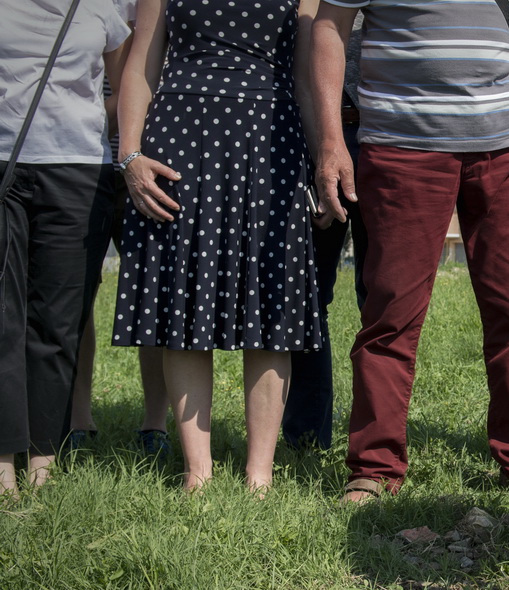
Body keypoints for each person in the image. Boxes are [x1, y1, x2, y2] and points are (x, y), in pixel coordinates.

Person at [310, 0, 509, 502]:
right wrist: (332, 140)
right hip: (402, 144)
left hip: (508, 143)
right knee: (391, 314)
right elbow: (329, 30)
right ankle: (374, 469)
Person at [112, 0, 324, 492]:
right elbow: (141, 65)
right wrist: (130, 155)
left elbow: (305, 82)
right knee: (184, 310)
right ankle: (197, 473)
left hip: (272, 140)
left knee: (273, 310)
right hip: (181, 142)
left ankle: (260, 475)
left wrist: (320, 164)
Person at [0, 0, 131, 498]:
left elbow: (122, 87)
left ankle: (42, 462)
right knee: (4, 316)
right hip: (4, 165)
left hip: (77, 168)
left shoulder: (102, 5)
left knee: (58, 318)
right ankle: (2, 466)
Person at [67, 0, 173, 460]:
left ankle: (155, 422)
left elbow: (151, 76)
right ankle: (76, 418)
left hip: (148, 162)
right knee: (72, 298)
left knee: (151, 296)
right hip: (80, 166)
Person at [282, 13, 368, 452]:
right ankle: (307, 437)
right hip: (312, 136)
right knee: (307, 298)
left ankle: (376, 442)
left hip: (387, 139)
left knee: (384, 302)